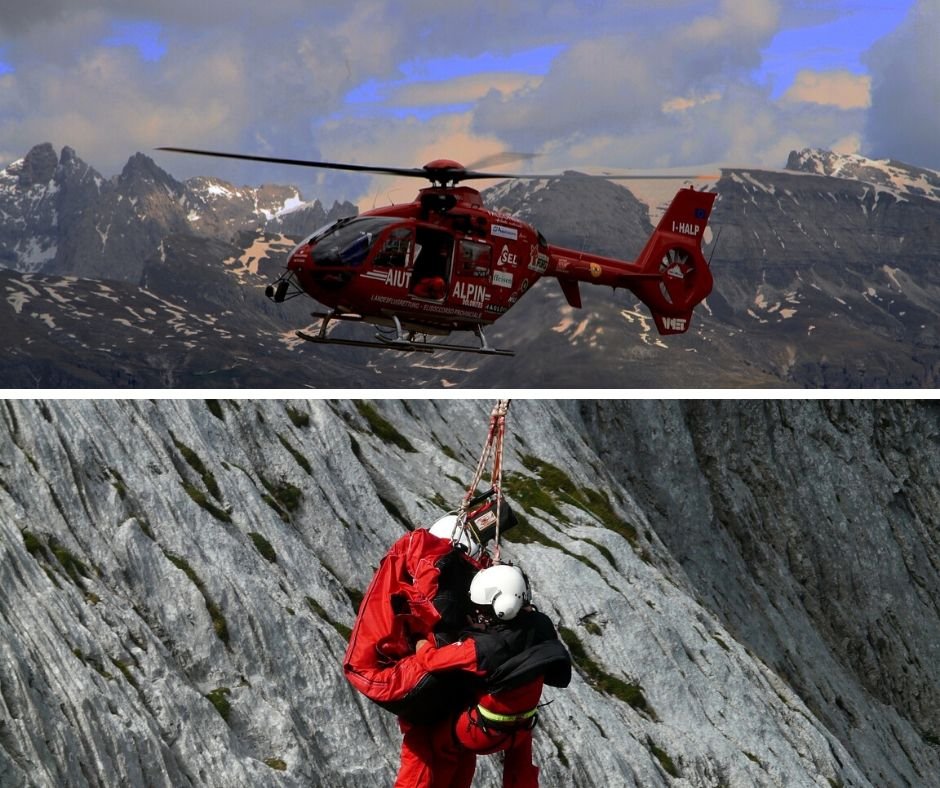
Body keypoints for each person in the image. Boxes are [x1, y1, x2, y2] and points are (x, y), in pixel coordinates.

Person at [416, 564, 573, 787]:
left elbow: (430, 661)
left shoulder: (482, 649)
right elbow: (513, 635)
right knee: (521, 770)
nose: (477, 613)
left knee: (442, 745)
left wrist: (419, 642)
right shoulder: (541, 624)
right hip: (521, 728)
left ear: (500, 609)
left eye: (482, 609)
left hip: (481, 733)